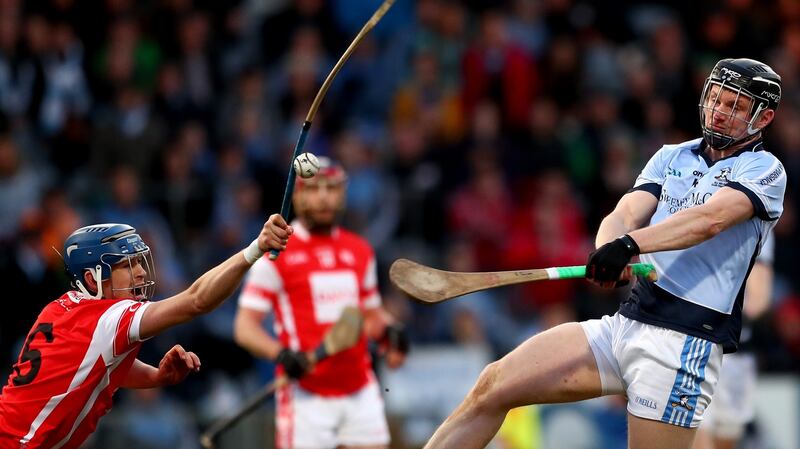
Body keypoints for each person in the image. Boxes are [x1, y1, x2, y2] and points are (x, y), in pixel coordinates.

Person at [420, 57, 786, 449]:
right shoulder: (671, 156)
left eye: (734, 105)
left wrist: (631, 245)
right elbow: (626, 212)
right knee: (492, 386)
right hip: (625, 324)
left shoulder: (765, 171)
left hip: (683, 345)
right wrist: (608, 252)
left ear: (762, 119)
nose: (718, 111)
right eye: (715, 98)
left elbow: (707, 221)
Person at [0, 213, 293, 449]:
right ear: (93, 279)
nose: (140, 272)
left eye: (139, 261)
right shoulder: (107, 318)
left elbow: (96, 365)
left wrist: (156, 376)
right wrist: (255, 249)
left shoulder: (62, 308)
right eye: (127, 265)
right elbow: (197, 300)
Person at [233, 157, 409, 449]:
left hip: (359, 388)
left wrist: (389, 331)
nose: (324, 196)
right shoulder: (276, 254)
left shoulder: (360, 250)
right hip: (306, 395)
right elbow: (244, 327)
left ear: (343, 193)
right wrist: (281, 354)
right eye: (314, 188)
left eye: (332, 188)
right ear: (298, 194)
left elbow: (369, 316)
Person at [693, 230, 775, 449]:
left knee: (725, 439)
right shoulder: (684, 208)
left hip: (733, 354)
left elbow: (759, 295)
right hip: (692, 346)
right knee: (697, 434)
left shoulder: (757, 220)